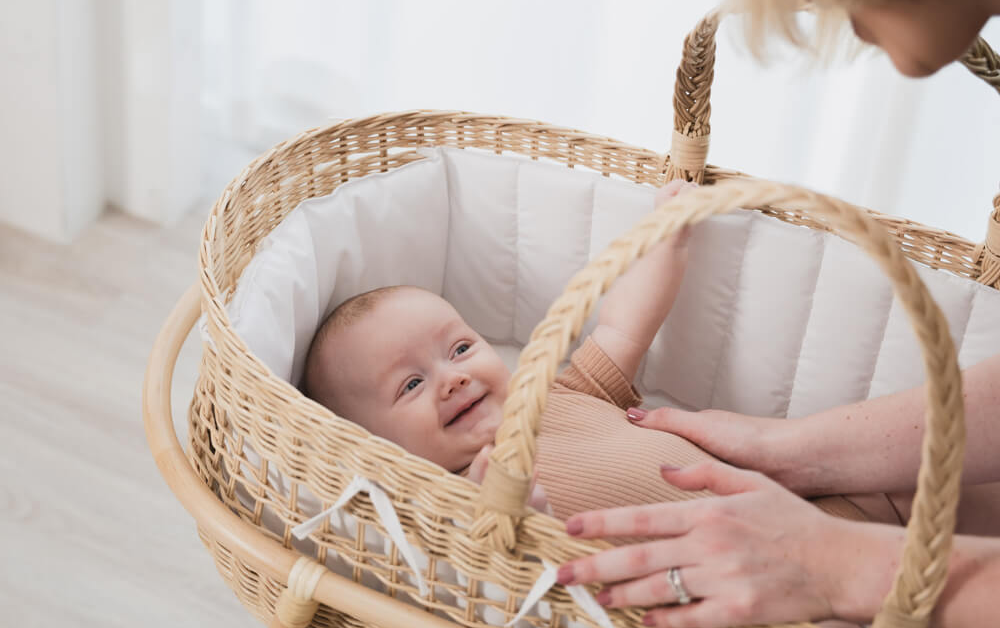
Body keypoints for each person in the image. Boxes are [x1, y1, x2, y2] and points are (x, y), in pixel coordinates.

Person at [556, 0, 1000, 628]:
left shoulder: (560, 395)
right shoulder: (498, 447)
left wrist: (844, 564)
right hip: (794, 514)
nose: (815, 4)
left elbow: (617, 331)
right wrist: (798, 453)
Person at [301, 181, 895, 540]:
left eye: (459, 348)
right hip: (758, 597)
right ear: (372, 443)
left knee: (937, 478)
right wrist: (516, 520)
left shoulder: (564, 394)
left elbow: (621, 326)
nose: (452, 377)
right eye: (410, 384)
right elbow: (508, 585)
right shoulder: (458, 503)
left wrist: (667, 240)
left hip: (820, 513)